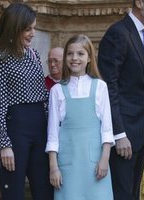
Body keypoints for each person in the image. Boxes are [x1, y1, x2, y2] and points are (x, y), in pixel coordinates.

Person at [0, 3, 53, 200]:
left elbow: (42, 93)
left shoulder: (33, 54)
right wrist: (4, 143)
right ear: (14, 28)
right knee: (13, 191)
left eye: (34, 28)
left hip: (41, 127)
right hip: (16, 129)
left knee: (44, 190)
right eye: (27, 29)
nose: (33, 33)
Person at [98, 0, 144, 199]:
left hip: (142, 132)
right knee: (121, 194)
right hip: (123, 135)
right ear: (139, 2)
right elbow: (108, 87)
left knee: (133, 193)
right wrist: (118, 133)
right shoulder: (118, 33)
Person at [46, 34, 115, 200]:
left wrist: (104, 159)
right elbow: (53, 133)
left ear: (89, 57)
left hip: (95, 164)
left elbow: (106, 128)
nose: (74, 58)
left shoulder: (100, 86)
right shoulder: (57, 90)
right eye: (70, 54)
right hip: (67, 165)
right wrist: (54, 167)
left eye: (80, 54)